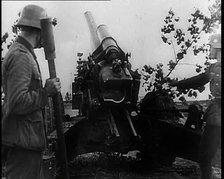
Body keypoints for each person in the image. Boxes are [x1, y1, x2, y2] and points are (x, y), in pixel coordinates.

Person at [1, 4, 61, 179]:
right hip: (22, 144)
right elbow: (17, 103)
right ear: (40, 29)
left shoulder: (24, 52)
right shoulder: (21, 56)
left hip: (26, 141)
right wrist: (45, 92)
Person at [171, 33, 221, 179]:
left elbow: (199, 80)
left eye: (211, 47)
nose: (209, 50)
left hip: (217, 117)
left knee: (205, 156)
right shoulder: (214, 67)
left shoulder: (216, 68)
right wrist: (179, 84)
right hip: (216, 115)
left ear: (218, 49)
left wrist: (178, 84)